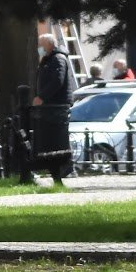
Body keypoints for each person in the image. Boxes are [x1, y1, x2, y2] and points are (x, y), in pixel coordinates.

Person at [34, 31, 77, 184]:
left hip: (58, 105)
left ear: (49, 45)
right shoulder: (48, 59)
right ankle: (56, 166)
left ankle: (67, 167)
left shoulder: (58, 59)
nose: (39, 48)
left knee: (60, 137)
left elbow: (57, 82)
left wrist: (42, 97)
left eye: (41, 45)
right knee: (53, 137)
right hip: (51, 106)